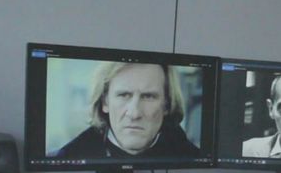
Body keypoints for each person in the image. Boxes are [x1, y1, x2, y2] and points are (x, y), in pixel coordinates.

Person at [54, 62, 199, 158]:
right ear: (105, 102)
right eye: (124, 95)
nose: (134, 114)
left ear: (167, 105)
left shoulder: (191, 157)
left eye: (148, 96)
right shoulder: (69, 157)